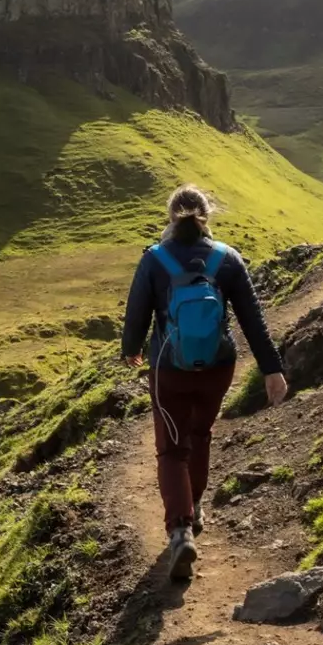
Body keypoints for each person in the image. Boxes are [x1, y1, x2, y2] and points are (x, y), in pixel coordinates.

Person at [122, 184, 288, 584]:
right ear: (206, 217)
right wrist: (272, 369)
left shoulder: (154, 260)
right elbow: (253, 320)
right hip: (218, 367)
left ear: (170, 217)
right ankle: (194, 508)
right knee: (201, 435)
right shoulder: (227, 259)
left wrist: (130, 350)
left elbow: (136, 315)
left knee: (171, 449)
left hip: (169, 369)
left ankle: (180, 531)